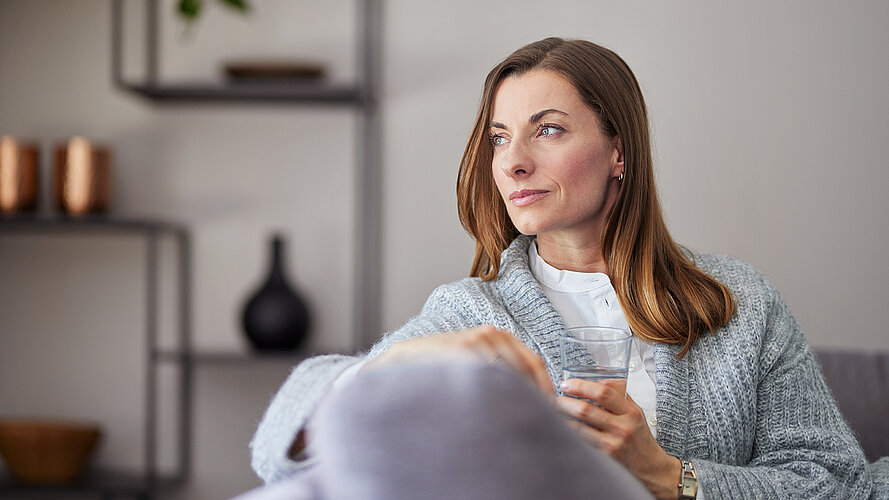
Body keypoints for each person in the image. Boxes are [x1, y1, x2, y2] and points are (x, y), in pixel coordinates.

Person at [249, 37, 873, 499]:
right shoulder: (471, 313)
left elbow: (837, 481)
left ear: (618, 150)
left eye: (546, 131)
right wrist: (395, 364)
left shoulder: (739, 303)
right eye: (499, 138)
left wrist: (669, 477)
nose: (512, 162)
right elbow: (281, 450)